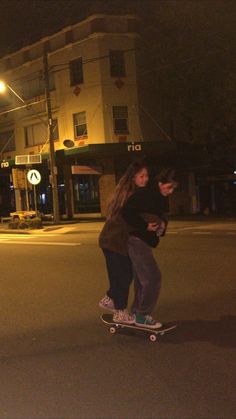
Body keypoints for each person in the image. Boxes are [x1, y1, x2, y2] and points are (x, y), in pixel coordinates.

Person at [122, 168, 178, 329]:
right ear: (160, 183)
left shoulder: (157, 197)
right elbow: (127, 212)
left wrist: (161, 227)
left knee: (142, 280)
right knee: (153, 278)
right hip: (136, 240)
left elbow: (159, 218)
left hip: (143, 241)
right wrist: (145, 226)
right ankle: (142, 315)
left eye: (173, 188)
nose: (171, 191)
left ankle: (135, 313)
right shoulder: (144, 194)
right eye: (169, 187)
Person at [98, 160, 149, 324]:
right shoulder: (131, 195)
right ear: (133, 178)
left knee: (124, 275)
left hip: (114, 240)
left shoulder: (126, 192)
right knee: (122, 276)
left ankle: (110, 299)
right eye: (141, 176)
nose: (145, 179)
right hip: (114, 241)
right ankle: (119, 313)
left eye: (146, 175)